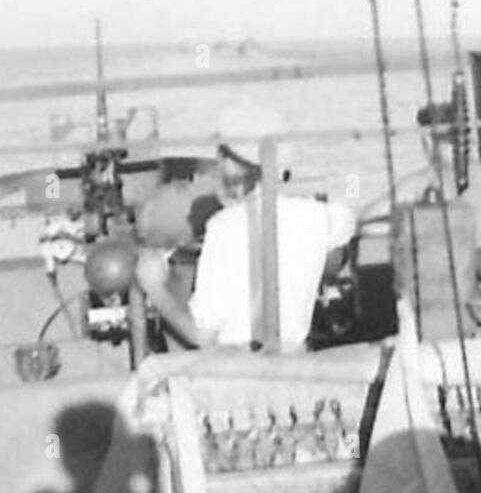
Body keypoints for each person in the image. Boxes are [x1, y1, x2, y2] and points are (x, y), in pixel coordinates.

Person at [136, 105, 356, 350]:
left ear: (231, 162)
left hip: (236, 374)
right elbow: (343, 226)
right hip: (294, 366)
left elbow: (202, 336)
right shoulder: (321, 217)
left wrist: (154, 287)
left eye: (221, 153)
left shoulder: (223, 228)